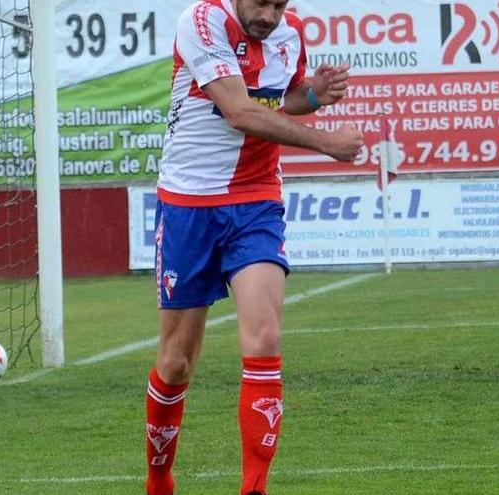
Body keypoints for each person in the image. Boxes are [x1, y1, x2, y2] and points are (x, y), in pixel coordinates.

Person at [144, 1, 365, 494]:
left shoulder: (291, 34)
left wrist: (314, 93)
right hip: (189, 204)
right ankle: (159, 479)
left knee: (265, 340)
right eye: (261, 2)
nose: (269, 14)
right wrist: (326, 140)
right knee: (177, 360)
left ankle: (255, 488)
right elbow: (241, 111)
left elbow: (281, 101)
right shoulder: (200, 21)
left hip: (256, 201)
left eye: (280, 4)